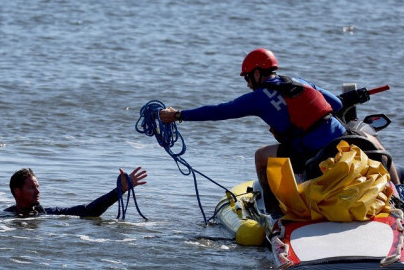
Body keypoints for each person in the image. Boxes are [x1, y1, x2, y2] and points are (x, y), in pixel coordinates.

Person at [159, 48, 399, 214]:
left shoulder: (257, 98)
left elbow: (219, 111)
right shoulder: (299, 81)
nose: (247, 83)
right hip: (344, 142)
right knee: (372, 141)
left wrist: (179, 115)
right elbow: (336, 105)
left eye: (247, 77)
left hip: (315, 154)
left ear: (256, 73)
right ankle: (398, 196)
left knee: (261, 156)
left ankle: (274, 213)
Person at [5, 166, 147, 218]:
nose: (38, 191)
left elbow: (88, 211)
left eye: (38, 186)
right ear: (17, 191)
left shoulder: (47, 213)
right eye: (31, 187)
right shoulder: (3, 217)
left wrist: (120, 190)